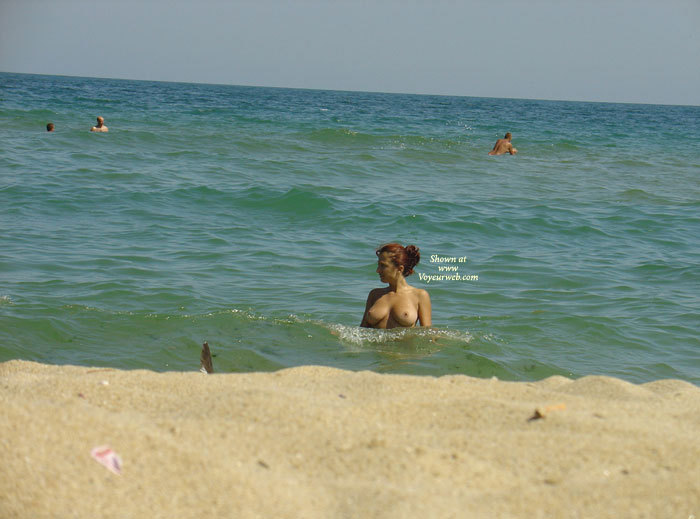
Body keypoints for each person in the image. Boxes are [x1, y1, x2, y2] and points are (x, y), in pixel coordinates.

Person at [360, 243, 432, 329]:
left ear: (400, 269)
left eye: (383, 265)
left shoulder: (420, 295)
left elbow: (427, 332)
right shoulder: (374, 295)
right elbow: (362, 330)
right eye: (378, 265)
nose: (378, 270)